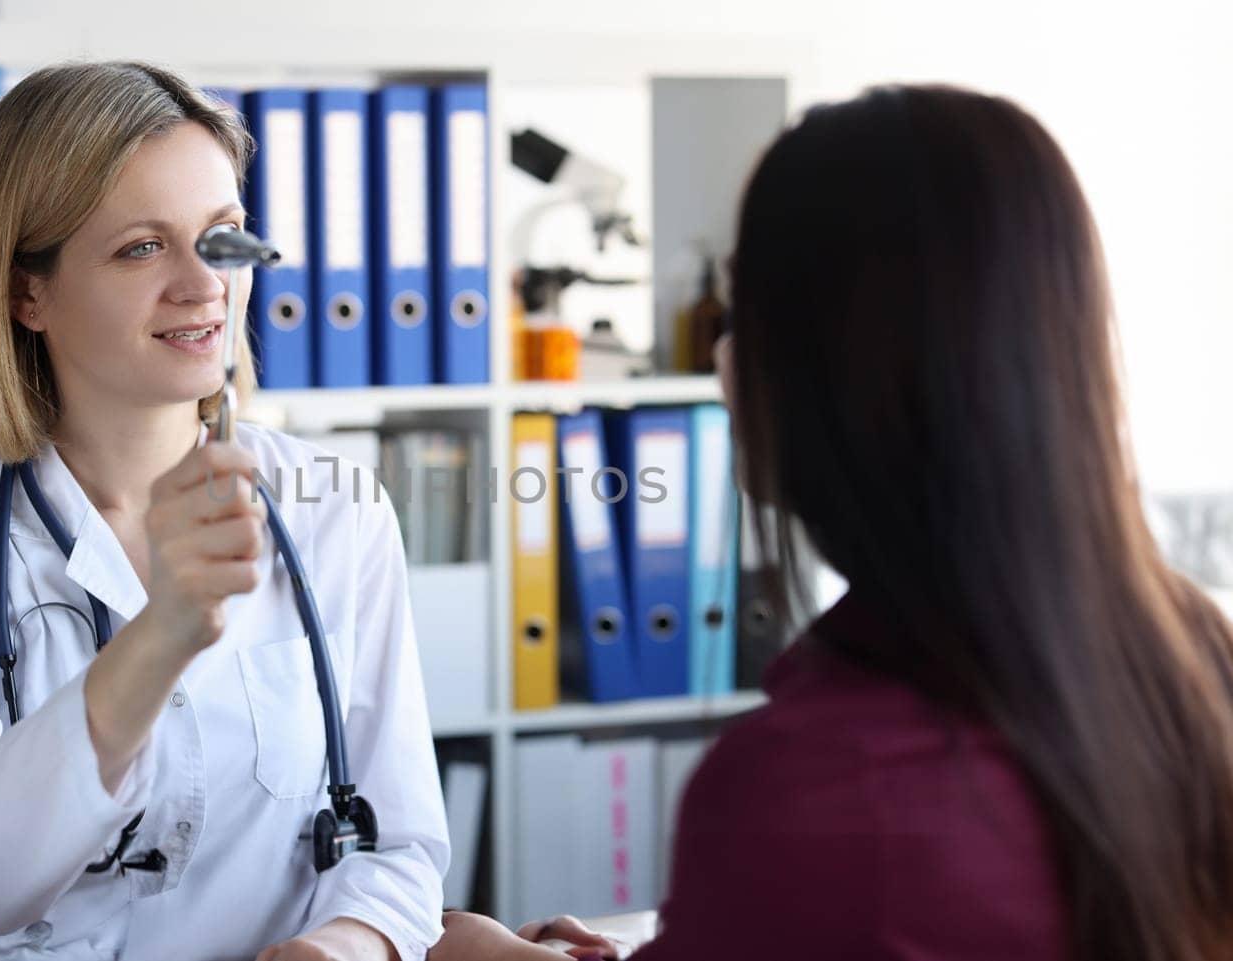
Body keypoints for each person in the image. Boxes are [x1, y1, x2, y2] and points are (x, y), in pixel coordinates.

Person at [436, 84, 1233, 961]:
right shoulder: (1196, 657)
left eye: (742, 316)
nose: (723, 359)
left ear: (837, 371)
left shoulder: (815, 791)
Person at [0, 61, 449, 961]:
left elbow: (397, 846)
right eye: (140, 247)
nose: (204, 286)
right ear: (26, 291)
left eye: (222, 236)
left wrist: (337, 949)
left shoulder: (337, 510)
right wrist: (161, 633)